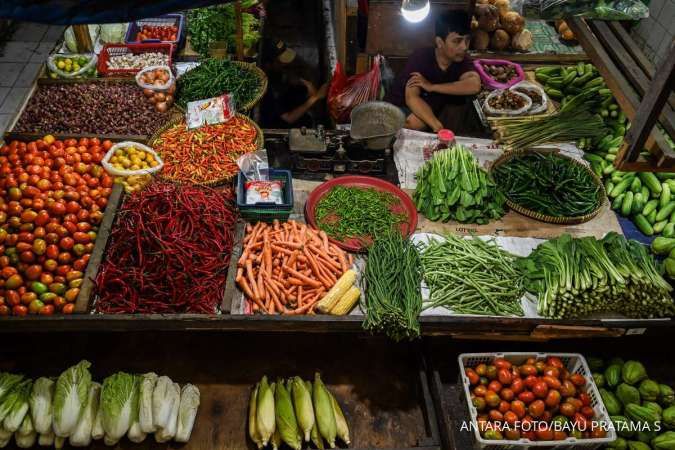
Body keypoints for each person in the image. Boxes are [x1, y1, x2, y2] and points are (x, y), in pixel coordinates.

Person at [384, 10, 481, 132]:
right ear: (440, 42)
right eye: (457, 41)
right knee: (416, 124)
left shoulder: (461, 60)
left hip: (430, 109)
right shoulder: (421, 57)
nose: (464, 47)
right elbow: (412, 98)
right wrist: (437, 126)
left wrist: (432, 86)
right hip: (397, 107)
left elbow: (474, 85)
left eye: (467, 40)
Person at [260, 39, 328, 128]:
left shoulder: (275, 72)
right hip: (277, 126)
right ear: (268, 64)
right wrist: (315, 98)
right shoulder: (267, 89)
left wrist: (304, 82)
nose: (284, 65)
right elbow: (289, 118)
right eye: (280, 62)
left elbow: (290, 78)